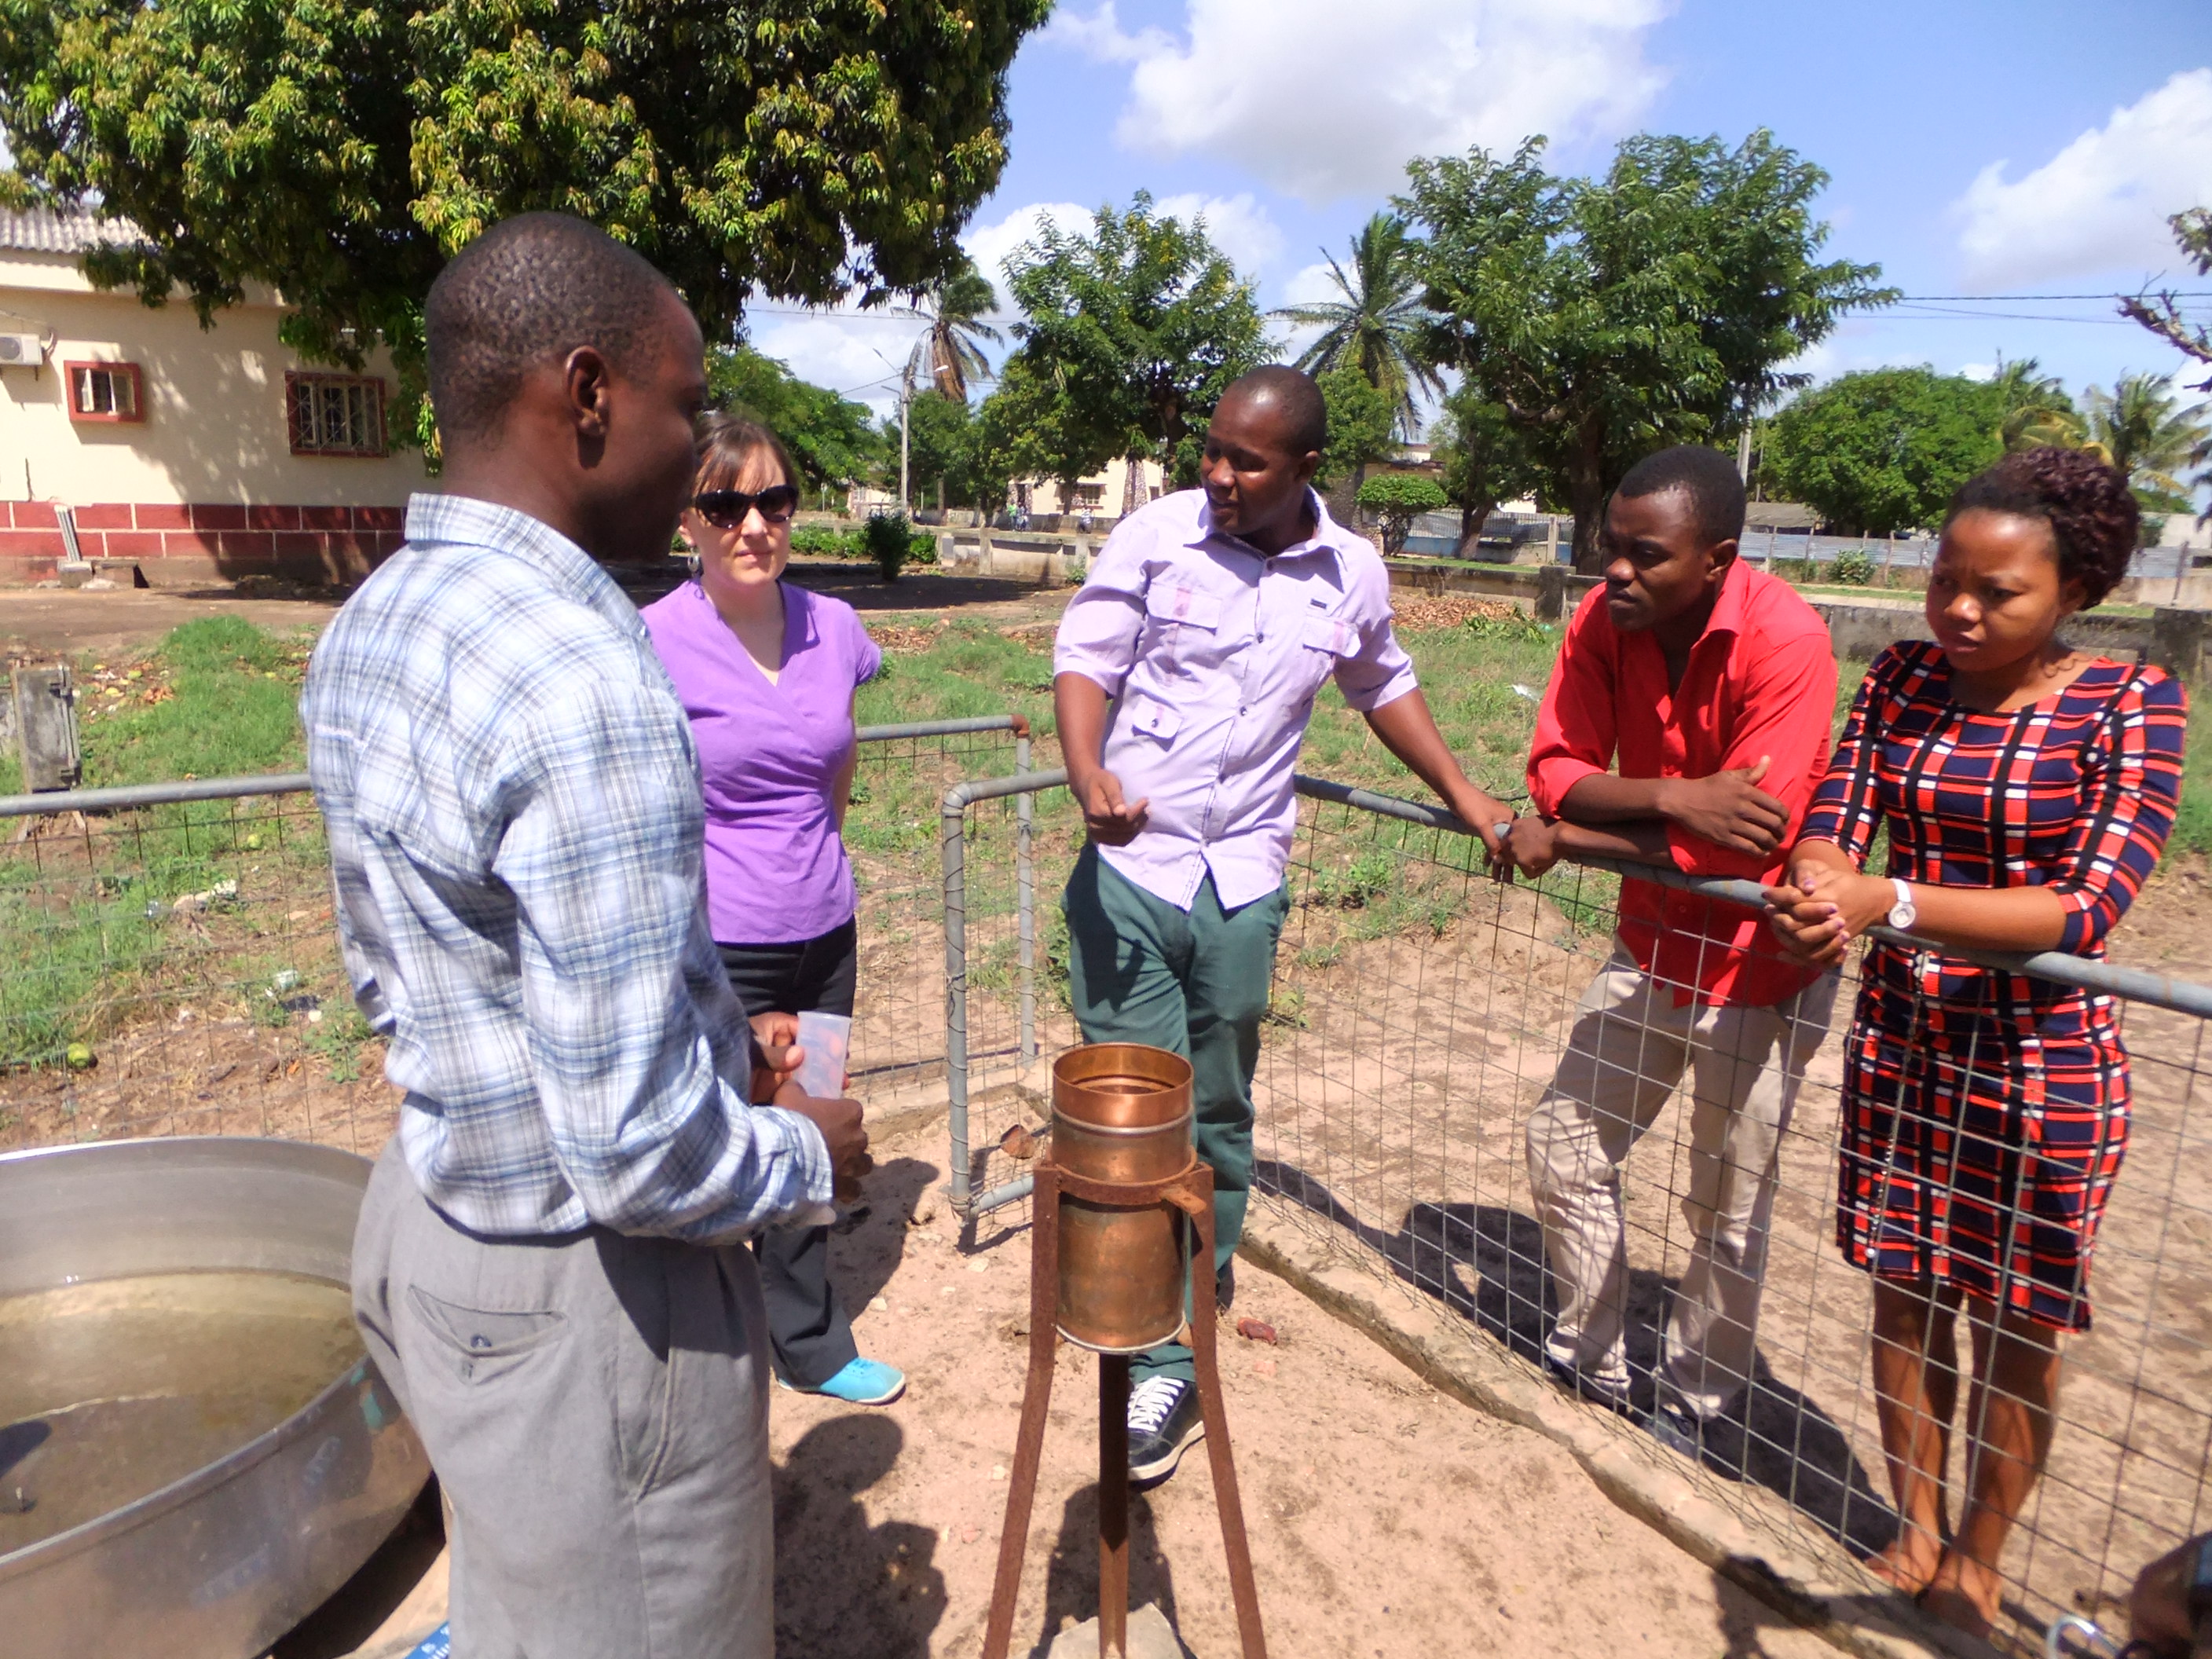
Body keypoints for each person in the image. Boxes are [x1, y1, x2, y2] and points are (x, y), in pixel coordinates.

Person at [304, 214, 871, 1659]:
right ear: (590, 394)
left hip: (429, 1227)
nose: (701, 451)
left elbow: (426, 958)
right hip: (587, 1299)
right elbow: (632, 1152)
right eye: (687, 406)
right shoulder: (584, 677)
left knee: (527, 1606)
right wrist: (815, 1151)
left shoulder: (373, 618)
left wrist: (704, 1036)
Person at [1052, 364, 1514, 1485]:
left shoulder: (1349, 571)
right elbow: (1086, 657)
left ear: (1304, 468)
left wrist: (1470, 796)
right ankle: (1151, 1343)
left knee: (1217, 1106)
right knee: (1134, 1104)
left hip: (1242, 885)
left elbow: (1380, 681)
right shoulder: (1157, 536)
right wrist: (1085, 774)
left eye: (1244, 461)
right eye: (1211, 451)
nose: (1216, 474)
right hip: (1133, 870)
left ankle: (1190, 1305)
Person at [1764, 448, 2186, 1638]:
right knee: (1901, 1297)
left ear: (2077, 593)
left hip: (2042, 1068)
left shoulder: (2130, 704)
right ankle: (1912, 1519)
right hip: (1903, 1045)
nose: (1958, 607)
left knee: (2015, 1324)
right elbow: (1835, 820)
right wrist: (1822, 878)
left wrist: (1886, 903)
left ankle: (1980, 1554)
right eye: (1948, 577)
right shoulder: (1901, 677)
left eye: (1997, 593)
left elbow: (2087, 907)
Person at [1504, 445, 1840, 1462]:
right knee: (1564, 1143)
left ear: (1718, 559)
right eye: (1613, 548)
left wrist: (1576, 839)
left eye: (1646, 556)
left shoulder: (1788, 641)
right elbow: (1557, 769)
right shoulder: (1606, 622)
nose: (1617, 572)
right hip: (1651, 945)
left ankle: (1695, 1405)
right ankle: (1589, 1354)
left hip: (1759, 972)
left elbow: (1750, 841)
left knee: (1724, 1208)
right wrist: (1670, 796)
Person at [639, 413, 903, 1406]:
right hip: (718, 948)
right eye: (724, 504)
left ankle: (807, 1341)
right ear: (689, 523)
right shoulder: (652, 643)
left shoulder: (836, 628)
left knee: (808, 1134)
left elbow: (831, 772)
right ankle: (700, 1349)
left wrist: (823, 866)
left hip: (823, 933)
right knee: (717, 1137)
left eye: (773, 501)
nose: (753, 524)